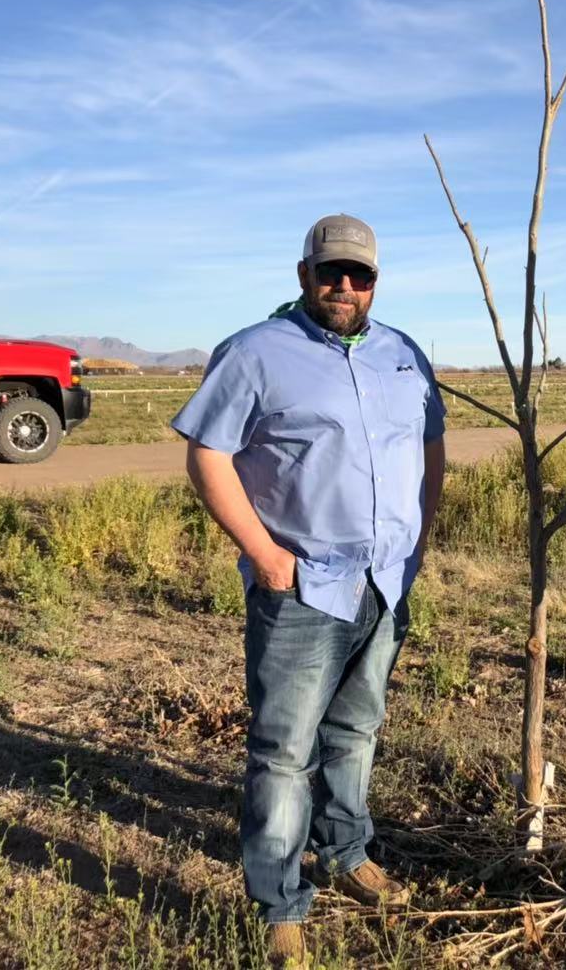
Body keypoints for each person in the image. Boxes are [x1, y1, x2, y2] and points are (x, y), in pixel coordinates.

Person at [172, 214, 446, 965]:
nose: (345, 287)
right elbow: (208, 455)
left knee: (356, 732)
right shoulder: (255, 354)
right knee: (283, 752)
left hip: (384, 583)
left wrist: (418, 542)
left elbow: (429, 446)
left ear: (375, 282)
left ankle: (348, 852)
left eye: (360, 275)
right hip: (300, 590)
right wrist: (262, 553)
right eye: (331, 273)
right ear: (303, 276)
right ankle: (280, 901)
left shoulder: (403, 354)